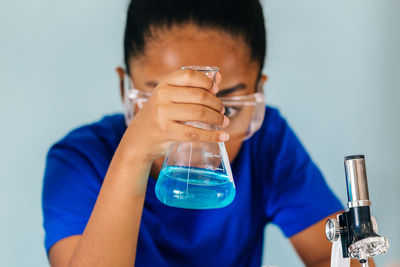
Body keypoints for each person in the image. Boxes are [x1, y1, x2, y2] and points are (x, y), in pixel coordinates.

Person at [42, 0, 372, 266]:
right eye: (168, 106)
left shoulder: (266, 143)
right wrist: (134, 153)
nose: (194, 136)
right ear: (124, 88)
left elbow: (327, 256)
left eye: (225, 110)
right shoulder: (80, 160)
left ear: (259, 93)